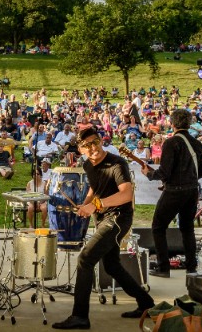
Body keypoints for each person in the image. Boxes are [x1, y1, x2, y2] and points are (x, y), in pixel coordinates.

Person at [52, 127, 155, 329]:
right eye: (87, 145)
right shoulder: (88, 164)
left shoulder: (117, 163)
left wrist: (96, 205)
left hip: (117, 218)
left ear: (101, 141)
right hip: (103, 217)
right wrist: (87, 202)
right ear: (81, 150)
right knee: (112, 265)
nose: (93, 147)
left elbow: (126, 194)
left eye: (95, 142)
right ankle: (146, 303)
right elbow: (94, 186)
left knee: (85, 259)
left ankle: (80, 316)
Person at [142, 110, 202, 278]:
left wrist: (149, 174)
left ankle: (163, 267)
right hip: (192, 190)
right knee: (187, 228)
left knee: (158, 227)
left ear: (172, 123)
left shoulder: (171, 143)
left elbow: (164, 172)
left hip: (175, 191)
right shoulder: (196, 143)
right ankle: (191, 267)